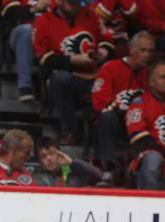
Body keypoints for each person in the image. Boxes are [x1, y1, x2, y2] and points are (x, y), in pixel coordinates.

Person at [33, 0, 114, 144]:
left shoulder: (91, 15)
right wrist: (71, 60)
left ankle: (103, 141)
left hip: (92, 75)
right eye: (72, 3)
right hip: (64, 77)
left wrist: (104, 50)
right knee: (61, 78)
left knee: (109, 81)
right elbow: (43, 58)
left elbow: (106, 39)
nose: (76, 7)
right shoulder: (43, 21)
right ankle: (69, 131)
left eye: (78, 3)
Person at [92, 31, 154, 180]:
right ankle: (109, 167)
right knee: (107, 117)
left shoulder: (151, 74)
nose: (147, 55)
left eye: (150, 51)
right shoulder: (110, 68)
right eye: (142, 50)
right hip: (116, 118)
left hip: (141, 122)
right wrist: (126, 110)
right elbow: (100, 100)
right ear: (132, 50)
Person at [126, 59, 165, 190]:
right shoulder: (140, 102)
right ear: (151, 82)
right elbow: (139, 139)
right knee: (153, 159)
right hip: (151, 155)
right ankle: (149, 205)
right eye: (163, 77)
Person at [1, 0, 51, 101]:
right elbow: (10, 13)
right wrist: (34, 9)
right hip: (21, 34)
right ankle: (25, 87)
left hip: (48, 35)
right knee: (26, 30)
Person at [33, 137, 103, 186]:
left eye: (52, 153)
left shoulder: (71, 167)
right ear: (39, 161)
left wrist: (72, 163)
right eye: (43, 156)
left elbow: (98, 176)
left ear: (59, 153)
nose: (49, 158)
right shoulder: (37, 176)